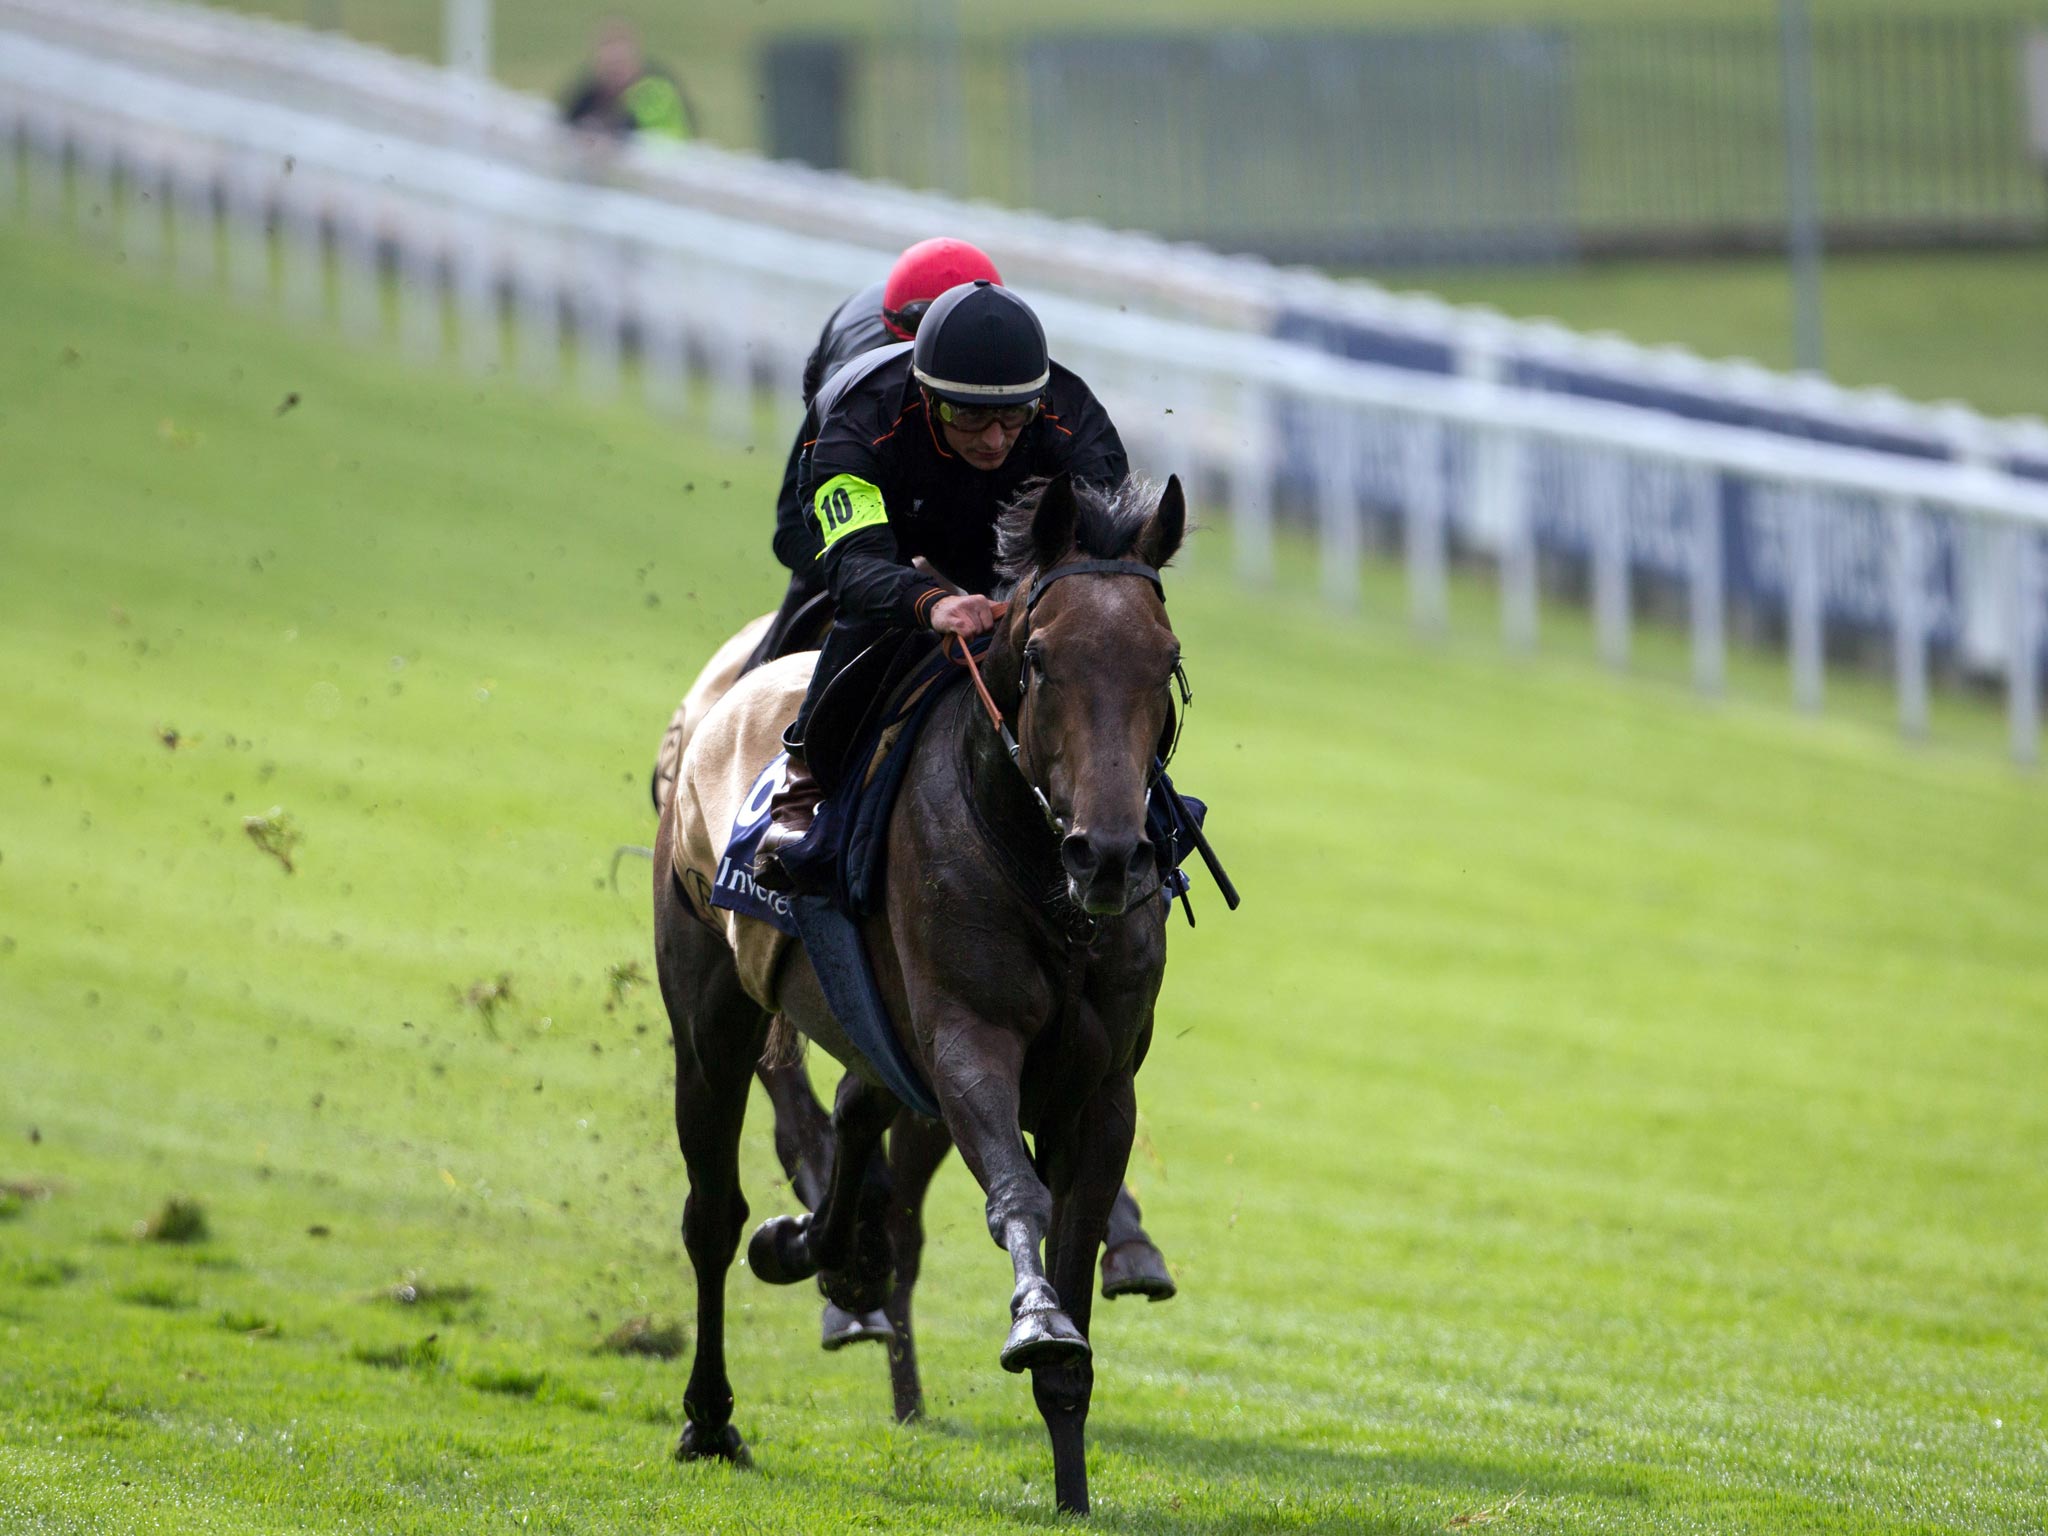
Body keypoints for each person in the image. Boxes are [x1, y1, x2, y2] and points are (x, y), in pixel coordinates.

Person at [754, 279, 1128, 883]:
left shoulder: (1073, 416)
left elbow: (1105, 559)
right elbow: (852, 565)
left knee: (1111, 652)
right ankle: (804, 788)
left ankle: (1148, 816)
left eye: (1013, 417)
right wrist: (930, 604)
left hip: (1015, 556)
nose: (994, 439)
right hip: (897, 543)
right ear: (927, 396)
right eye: (968, 415)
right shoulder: (860, 417)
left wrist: (1043, 601)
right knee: (866, 626)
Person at [764, 240, 1006, 642]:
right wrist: (905, 585)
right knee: (819, 585)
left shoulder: (1004, 366)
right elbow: (793, 536)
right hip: (853, 472)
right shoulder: (852, 402)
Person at [559, 19, 695, 141]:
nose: (614, 74)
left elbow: (637, 131)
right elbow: (567, 120)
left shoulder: (655, 90)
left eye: (619, 65)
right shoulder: (591, 90)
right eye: (609, 67)